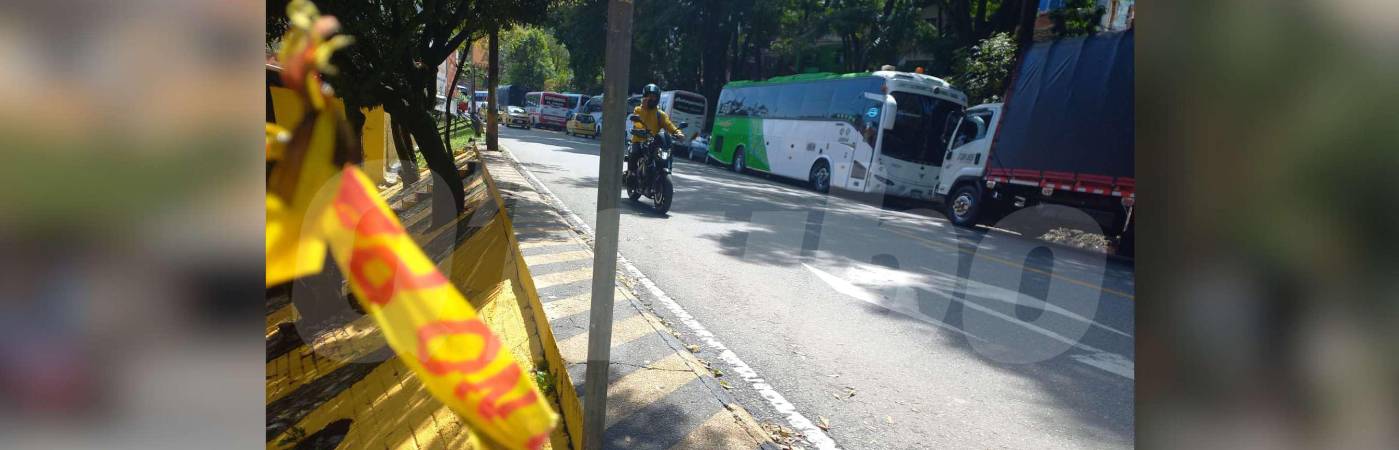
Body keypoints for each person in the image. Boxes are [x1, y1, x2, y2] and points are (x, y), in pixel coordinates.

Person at [626, 83, 684, 172]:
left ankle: (661, 172)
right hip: (638, 140)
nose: (651, 99)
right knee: (635, 152)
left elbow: (668, 124)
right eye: (649, 96)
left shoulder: (660, 114)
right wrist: (644, 109)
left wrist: (677, 132)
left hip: (653, 143)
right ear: (645, 97)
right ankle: (631, 174)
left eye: (654, 96)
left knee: (666, 155)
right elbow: (637, 124)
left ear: (658, 98)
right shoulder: (638, 109)